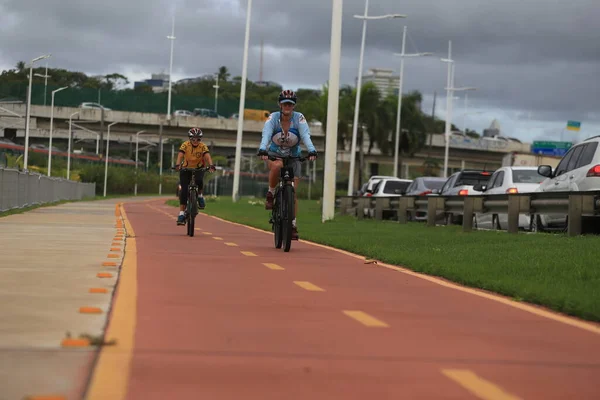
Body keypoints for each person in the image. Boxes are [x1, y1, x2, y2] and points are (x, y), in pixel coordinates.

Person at [257, 89, 317, 240]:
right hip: (274, 154)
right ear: (280, 105)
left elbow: (305, 135)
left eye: (290, 104)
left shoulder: (299, 119)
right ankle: (271, 193)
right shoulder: (273, 118)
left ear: (294, 106)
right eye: (285, 104)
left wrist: (311, 150)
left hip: (293, 157)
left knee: (293, 192)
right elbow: (266, 134)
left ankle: (293, 224)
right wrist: (263, 149)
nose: (287, 107)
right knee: (277, 166)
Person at [175, 127, 216, 225]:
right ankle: (181, 214)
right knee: (184, 191)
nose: (196, 141)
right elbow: (180, 155)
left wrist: (211, 165)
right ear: (190, 138)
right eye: (193, 139)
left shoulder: (202, 146)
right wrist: (177, 165)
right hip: (186, 169)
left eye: (198, 139)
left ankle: (200, 196)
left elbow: (207, 155)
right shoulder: (185, 145)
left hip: (199, 168)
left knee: (199, 181)